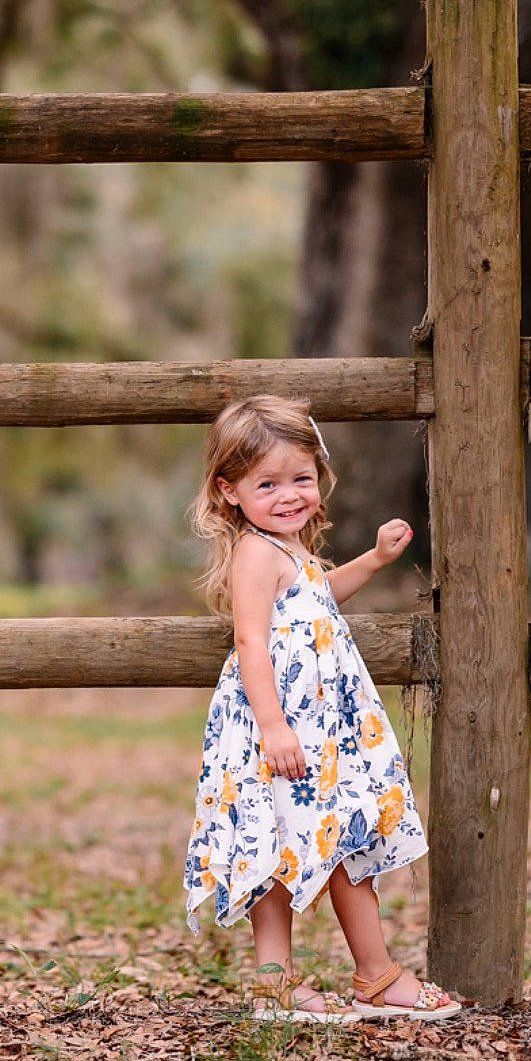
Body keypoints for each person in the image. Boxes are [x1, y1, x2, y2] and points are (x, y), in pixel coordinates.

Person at [182, 394, 464, 1023]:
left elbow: (316, 596)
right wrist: (274, 727)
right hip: (281, 727)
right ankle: (351, 978)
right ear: (229, 491)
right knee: (301, 844)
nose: (289, 495)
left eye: (301, 479)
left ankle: (345, 978)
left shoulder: (290, 552)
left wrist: (375, 559)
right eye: (268, 484)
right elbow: (250, 639)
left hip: (320, 728)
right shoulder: (256, 552)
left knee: (326, 839)